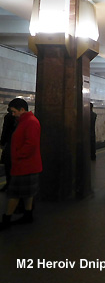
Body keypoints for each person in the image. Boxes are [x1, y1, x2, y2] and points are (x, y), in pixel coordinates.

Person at [0, 98, 42, 231]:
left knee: (14, 194)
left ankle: (6, 219)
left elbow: (30, 144)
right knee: (28, 192)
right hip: (27, 164)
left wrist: (17, 156)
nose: (12, 114)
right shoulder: (25, 121)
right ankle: (28, 214)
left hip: (24, 165)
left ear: (22, 110)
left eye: (14, 111)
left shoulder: (30, 122)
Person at [0, 107, 16, 192]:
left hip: (9, 143)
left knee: (7, 165)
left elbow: (5, 131)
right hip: (15, 144)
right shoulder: (19, 119)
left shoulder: (8, 117)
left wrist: (2, 143)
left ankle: (8, 183)